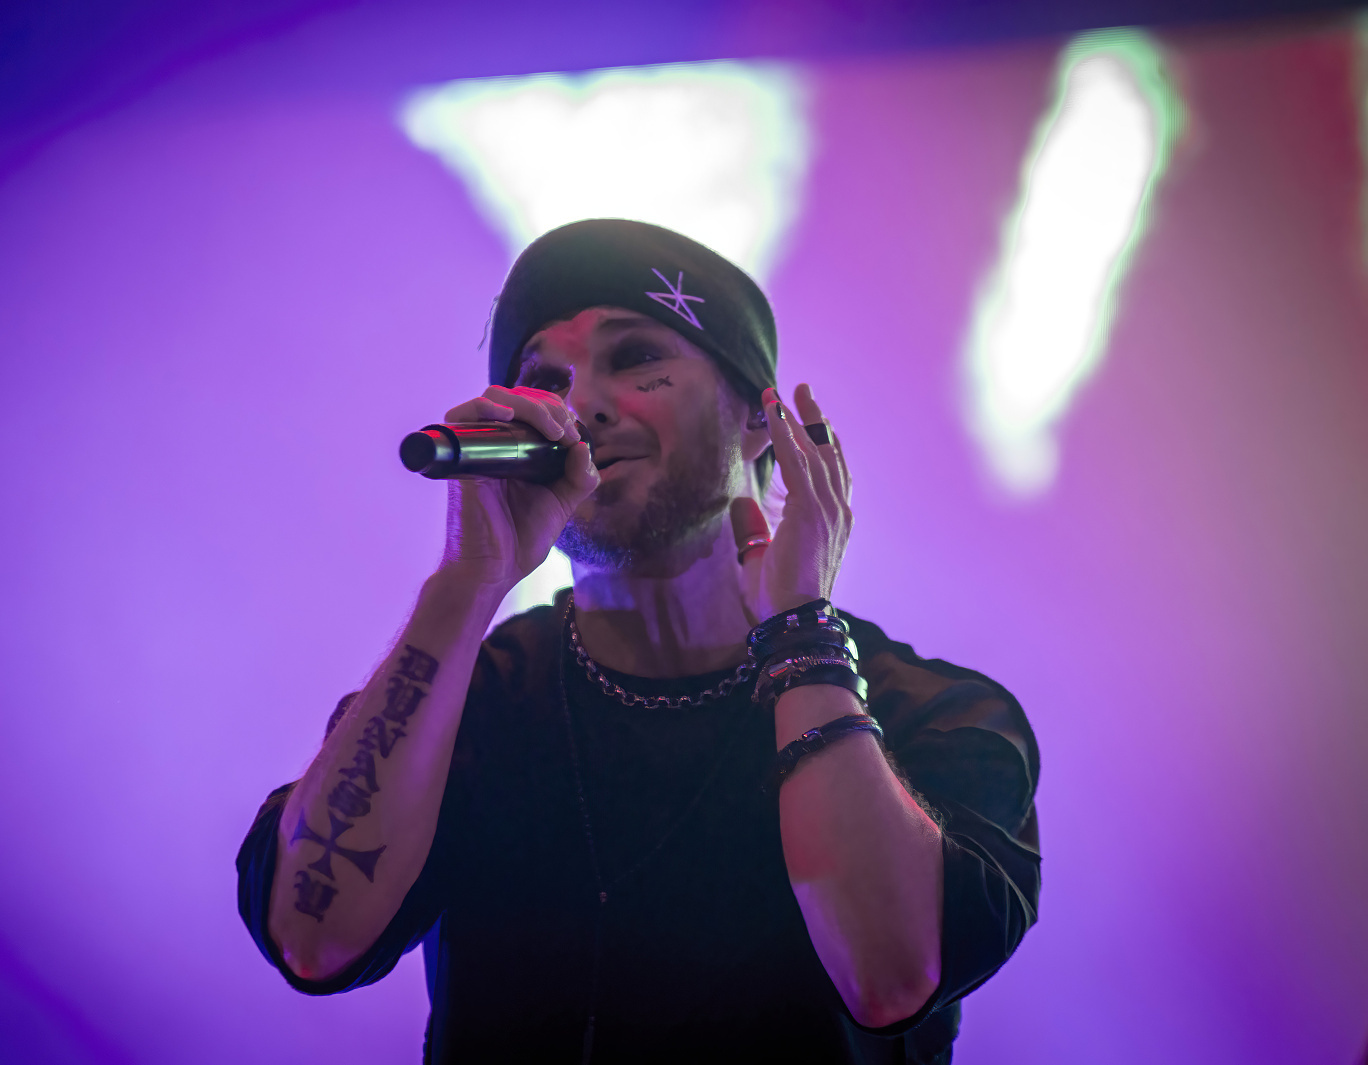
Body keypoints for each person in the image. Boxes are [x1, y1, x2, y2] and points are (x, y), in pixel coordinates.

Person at [237, 219, 1040, 1064]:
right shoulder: (468, 703)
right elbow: (311, 936)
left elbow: (889, 976)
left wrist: (799, 626)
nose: (581, 403)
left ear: (758, 417)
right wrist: (466, 581)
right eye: (546, 379)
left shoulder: (933, 714)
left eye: (636, 357)